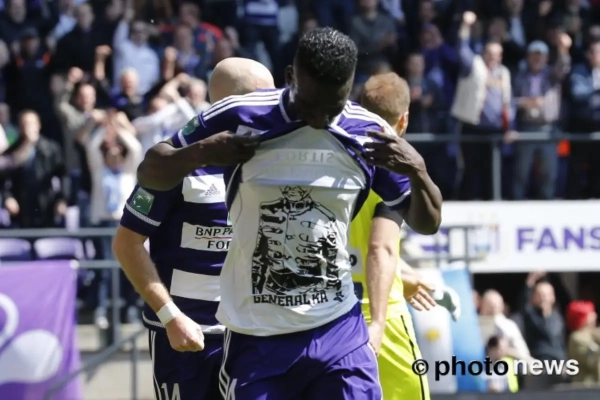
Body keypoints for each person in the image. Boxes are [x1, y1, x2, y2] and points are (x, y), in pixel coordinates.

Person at [137, 28, 442, 399]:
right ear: (290, 78)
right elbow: (150, 170)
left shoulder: (367, 132)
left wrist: (419, 171)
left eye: (334, 105)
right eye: (313, 104)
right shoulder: (241, 114)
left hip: (338, 331)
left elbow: (426, 222)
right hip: (257, 338)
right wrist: (201, 153)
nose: (322, 116)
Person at [112, 57, 275, 400]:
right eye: (265, 96)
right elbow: (126, 244)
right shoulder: (174, 159)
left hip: (252, 334)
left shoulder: (274, 158)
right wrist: (171, 316)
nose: (275, 105)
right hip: (187, 339)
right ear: (233, 104)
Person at [352, 72, 458, 400]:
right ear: (404, 119)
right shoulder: (394, 169)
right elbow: (379, 248)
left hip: (328, 314)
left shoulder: (336, 155)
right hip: (379, 316)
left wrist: (403, 275)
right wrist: (379, 321)